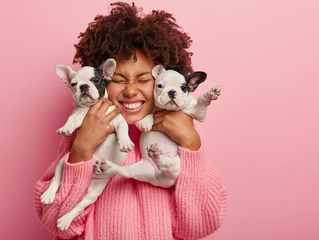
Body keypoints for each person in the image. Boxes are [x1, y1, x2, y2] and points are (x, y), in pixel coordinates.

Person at [35, 2, 226, 239]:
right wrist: (82, 149)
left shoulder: (177, 136)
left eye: (143, 78)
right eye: (118, 79)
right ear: (102, 78)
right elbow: (56, 222)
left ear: (162, 78)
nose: (131, 90)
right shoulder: (82, 131)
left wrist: (191, 144)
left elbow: (201, 224)